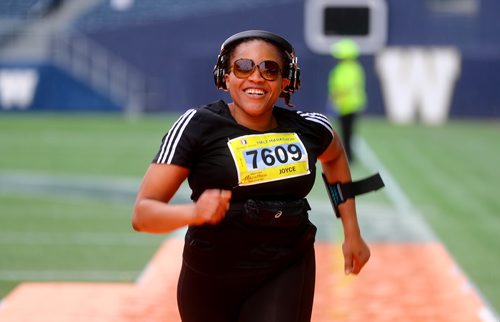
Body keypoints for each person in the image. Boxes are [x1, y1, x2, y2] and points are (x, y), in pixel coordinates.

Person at [132, 30, 370, 322]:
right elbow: (142, 215)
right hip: (210, 278)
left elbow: (335, 162)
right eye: (243, 66)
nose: (256, 78)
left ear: (286, 82)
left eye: (270, 70)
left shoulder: (310, 129)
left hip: (286, 269)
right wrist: (193, 213)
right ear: (225, 76)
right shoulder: (195, 126)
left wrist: (352, 231)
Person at [328, 39, 366, 162]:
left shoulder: (341, 70)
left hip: (344, 105)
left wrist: (334, 99)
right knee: (348, 132)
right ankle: (349, 155)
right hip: (354, 104)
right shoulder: (356, 68)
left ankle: (348, 156)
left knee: (345, 133)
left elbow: (341, 88)